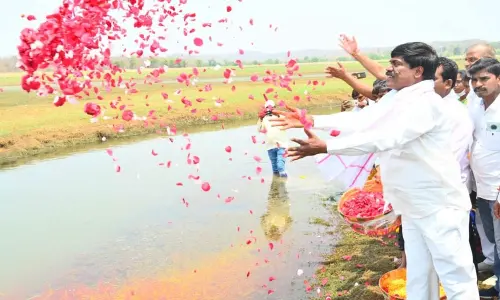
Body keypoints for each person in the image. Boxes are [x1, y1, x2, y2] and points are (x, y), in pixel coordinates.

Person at [271, 42, 478, 300]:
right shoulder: (397, 97)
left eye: (396, 64)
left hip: (438, 207)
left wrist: (327, 146)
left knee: (456, 278)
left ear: (418, 71)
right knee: (419, 276)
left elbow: (385, 138)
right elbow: (363, 121)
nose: (388, 70)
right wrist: (311, 121)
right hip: (413, 207)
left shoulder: (427, 104)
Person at [467, 58, 500, 299]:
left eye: (484, 78)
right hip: (483, 189)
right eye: (474, 80)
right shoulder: (476, 106)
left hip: (498, 192)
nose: (478, 84)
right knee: (494, 243)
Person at [257, 100, 288, 177]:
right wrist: (260, 119)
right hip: (270, 146)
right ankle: (276, 185)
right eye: (267, 108)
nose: (269, 110)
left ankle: (284, 182)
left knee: (280, 166)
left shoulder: (280, 116)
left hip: (281, 145)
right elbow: (259, 129)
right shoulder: (264, 119)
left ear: (275, 108)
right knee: (275, 170)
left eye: (271, 108)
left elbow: (287, 121)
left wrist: (278, 114)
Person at [260, 176, 292, 241]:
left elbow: (262, 218)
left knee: (279, 184)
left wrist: (265, 231)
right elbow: (290, 220)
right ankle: (279, 174)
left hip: (277, 200)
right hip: (279, 200)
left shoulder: (270, 222)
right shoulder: (279, 223)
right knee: (280, 184)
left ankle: (279, 174)